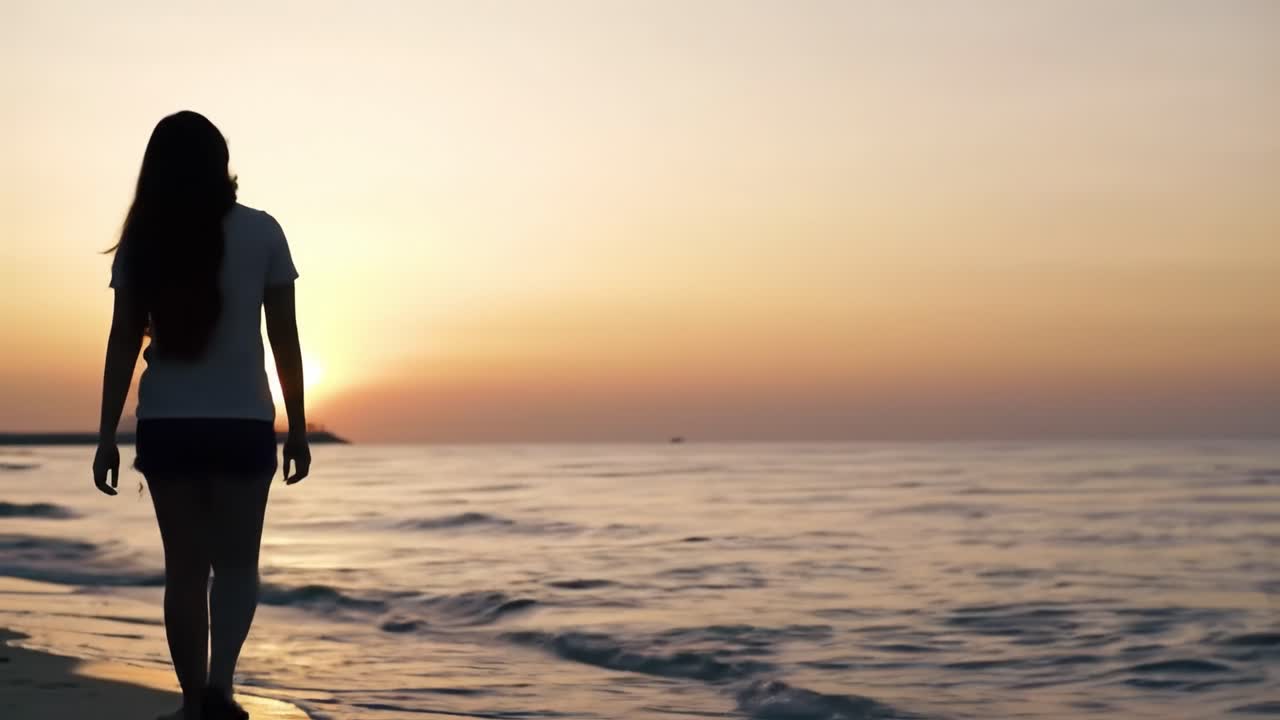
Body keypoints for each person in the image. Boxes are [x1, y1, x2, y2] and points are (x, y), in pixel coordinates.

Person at [92, 111, 311, 720]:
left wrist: (107, 435)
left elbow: (121, 342)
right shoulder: (263, 231)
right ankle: (220, 690)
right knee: (237, 566)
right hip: (242, 425)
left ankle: (193, 706)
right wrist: (296, 426)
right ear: (221, 162)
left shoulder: (144, 240)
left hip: (169, 425)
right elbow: (285, 338)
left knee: (185, 572)